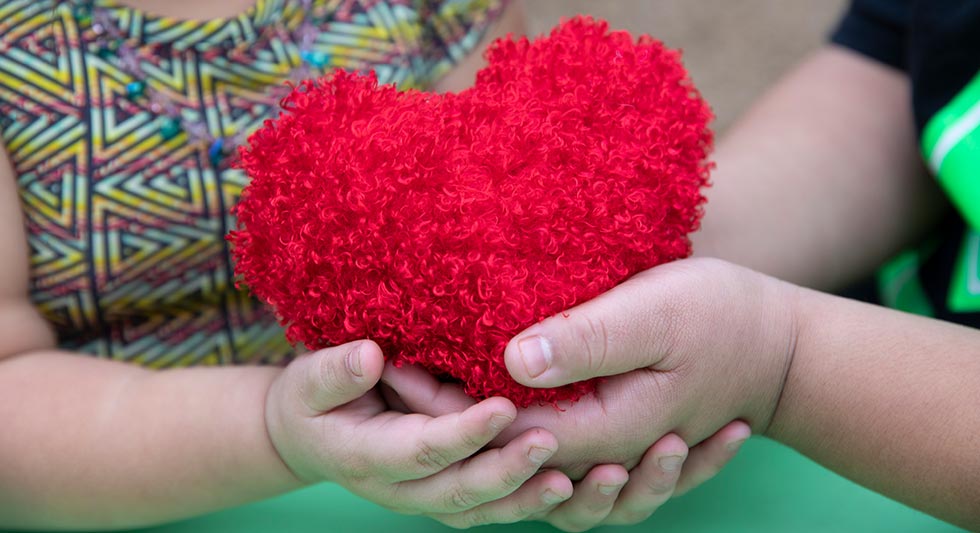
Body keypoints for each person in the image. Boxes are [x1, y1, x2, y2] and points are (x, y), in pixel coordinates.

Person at [0, 0, 747, 530]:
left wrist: (577, 391)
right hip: (121, 489)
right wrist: (275, 428)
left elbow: (525, 226)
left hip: (456, 470)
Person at [388, 1, 980, 530]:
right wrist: (650, 260)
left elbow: (772, 353)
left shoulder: (783, 354)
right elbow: (904, 70)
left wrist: (781, 361)